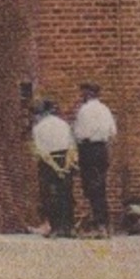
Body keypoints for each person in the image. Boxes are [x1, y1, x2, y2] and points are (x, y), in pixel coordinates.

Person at [72, 81, 118, 235]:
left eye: (83, 93)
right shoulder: (105, 109)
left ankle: (99, 223)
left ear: (88, 93)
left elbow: (79, 133)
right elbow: (112, 132)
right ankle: (103, 222)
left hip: (88, 149)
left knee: (91, 186)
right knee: (100, 185)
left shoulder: (84, 110)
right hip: (102, 149)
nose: (81, 96)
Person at [30, 98, 78, 238]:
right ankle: (69, 226)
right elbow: (71, 145)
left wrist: (55, 167)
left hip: (48, 162)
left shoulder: (38, 128)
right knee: (66, 193)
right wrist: (66, 166)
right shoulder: (63, 124)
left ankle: (55, 227)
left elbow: (40, 151)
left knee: (50, 194)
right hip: (65, 158)